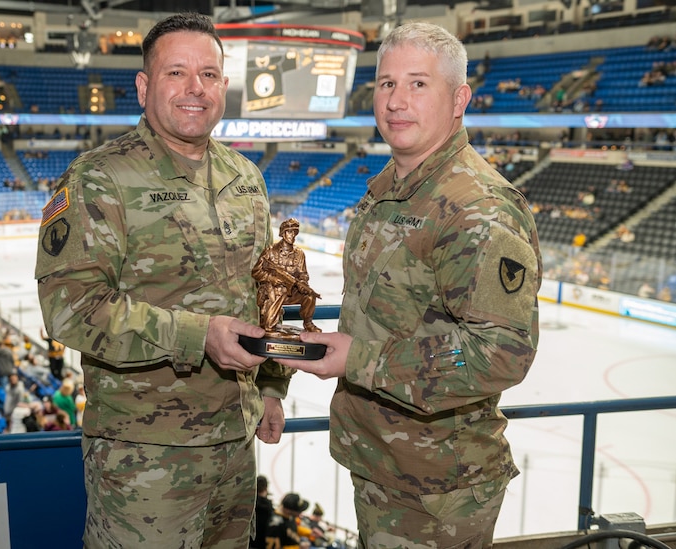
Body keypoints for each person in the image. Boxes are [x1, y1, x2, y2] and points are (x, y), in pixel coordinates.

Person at [34, 12, 292, 549]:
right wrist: (197, 335)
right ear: (145, 87)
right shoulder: (97, 179)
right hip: (144, 458)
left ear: (224, 85)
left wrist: (271, 384)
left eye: (210, 74)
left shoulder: (247, 178)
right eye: (176, 73)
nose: (195, 89)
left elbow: (266, 291)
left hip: (236, 447)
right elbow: (70, 309)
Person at [279, 22, 541, 549]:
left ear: (459, 98)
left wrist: (360, 360)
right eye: (386, 84)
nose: (396, 101)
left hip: (439, 486)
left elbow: (501, 354)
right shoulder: (388, 193)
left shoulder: (478, 209)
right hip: (381, 463)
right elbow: (377, 316)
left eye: (418, 84)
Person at [251, 218, 321, 334]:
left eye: (295, 232)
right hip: (273, 292)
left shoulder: (299, 254)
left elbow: (303, 274)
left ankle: (308, 323)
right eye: (289, 231)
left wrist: (302, 283)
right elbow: (256, 272)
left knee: (309, 296)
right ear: (283, 233)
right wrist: (272, 279)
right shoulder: (270, 251)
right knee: (268, 327)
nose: (292, 235)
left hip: (292, 290)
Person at [251, 475, 274, 549]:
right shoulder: (268, 505)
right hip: (264, 541)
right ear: (266, 488)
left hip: (252, 541)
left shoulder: (250, 503)